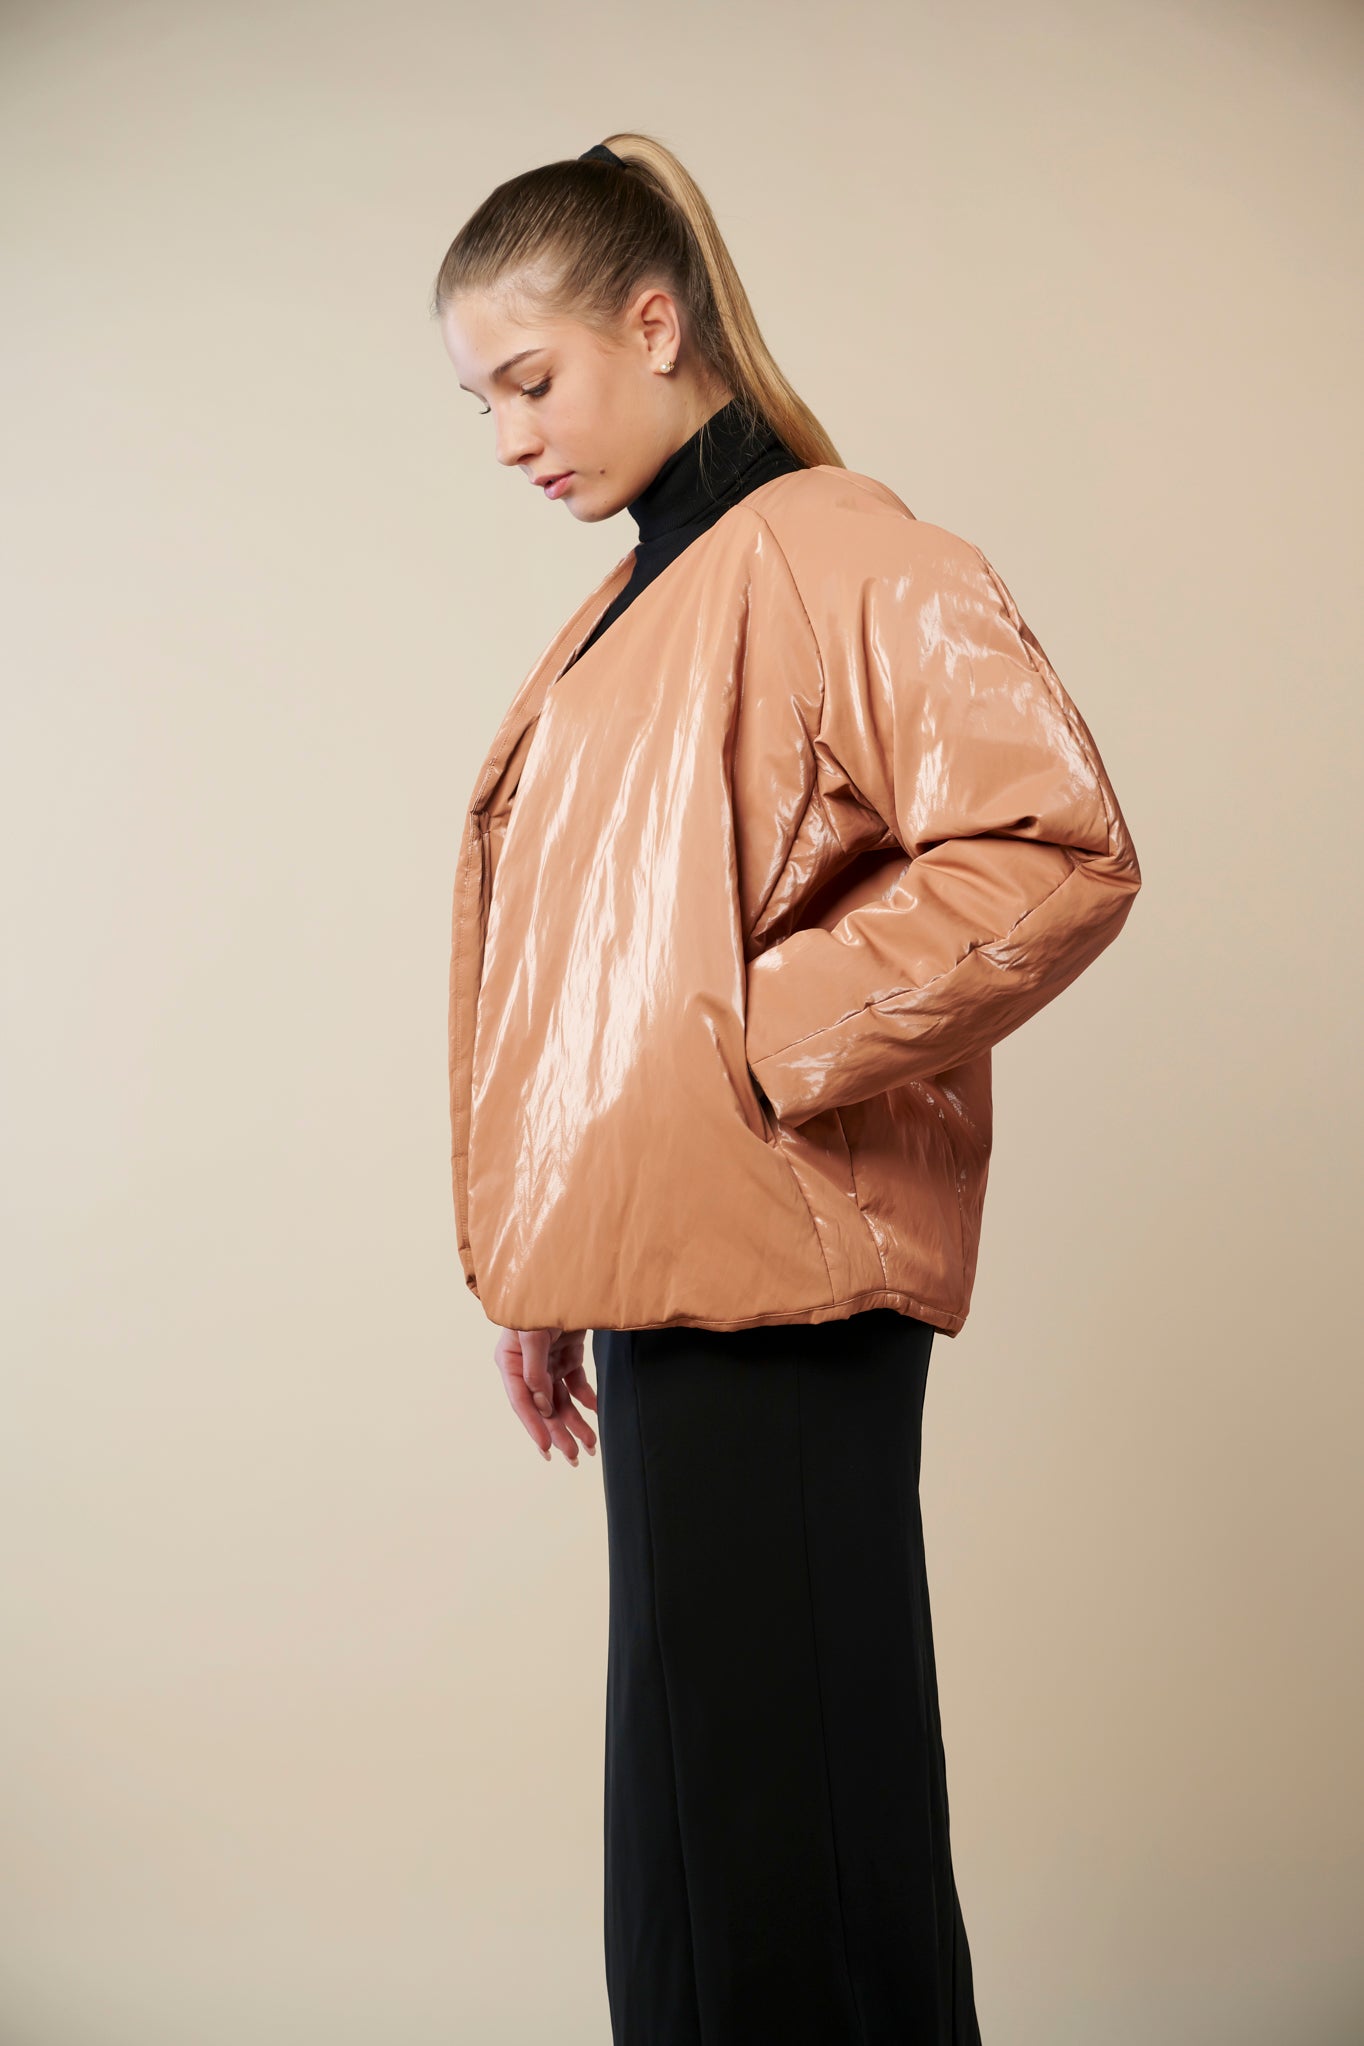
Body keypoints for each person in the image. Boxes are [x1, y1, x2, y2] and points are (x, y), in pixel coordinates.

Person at [431, 131, 1141, 2046]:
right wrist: (564, 1253)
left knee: (792, 1843)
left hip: (793, 1279)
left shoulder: (831, 546)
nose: (508, 438)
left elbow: (1049, 847)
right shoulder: (640, 598)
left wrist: (748, 1045)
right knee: (696, 1850)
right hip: (683, 1270)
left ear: (655, 323)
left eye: (531, 378)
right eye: (480, 399)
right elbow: (607, 962)